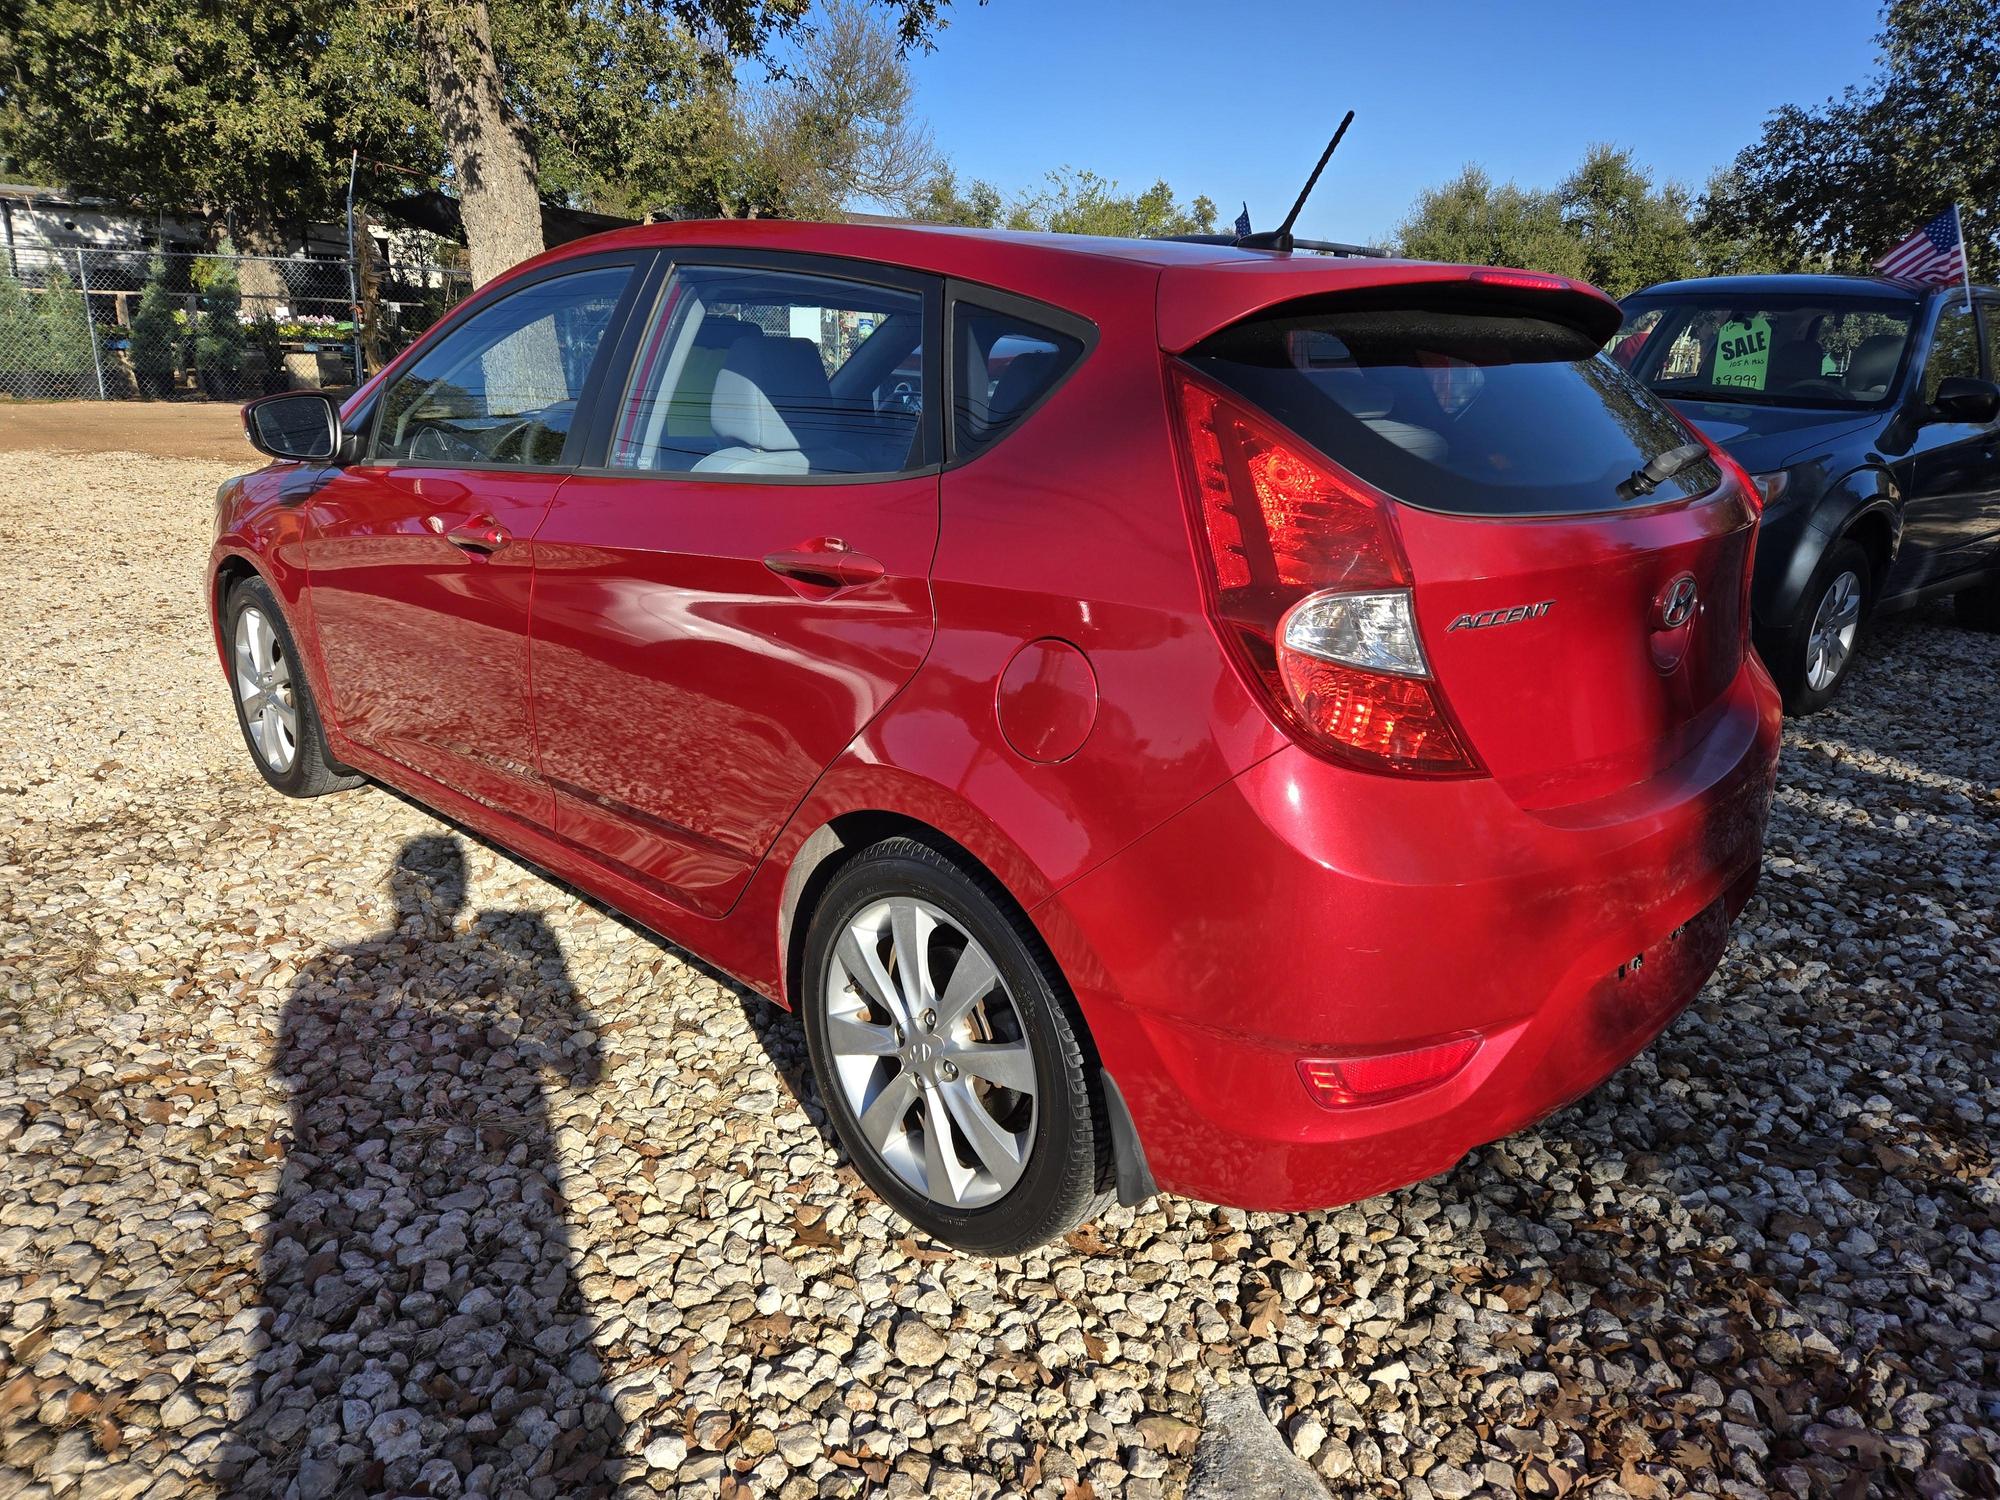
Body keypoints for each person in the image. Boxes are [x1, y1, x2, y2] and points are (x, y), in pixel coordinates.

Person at [218, 834, 623, 1497]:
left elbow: (290, 1073)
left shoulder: (330, 973)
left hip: (335, 1212)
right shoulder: (447, 971)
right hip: (519, 1195)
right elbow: (581, 1069)